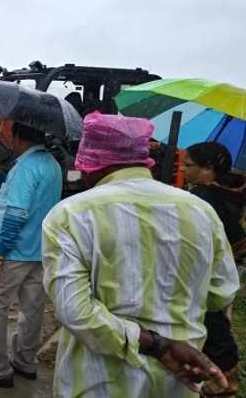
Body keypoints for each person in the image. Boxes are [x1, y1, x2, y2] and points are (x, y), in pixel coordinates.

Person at [42, 112, 239, 397]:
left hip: (98, 383)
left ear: (90, 161)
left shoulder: (70, 215)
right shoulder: (200, 211)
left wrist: (157, 345)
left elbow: (77, 312)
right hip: (178, 380)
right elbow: (222, 292)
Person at [0, 122, 62, 388]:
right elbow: (20, 197)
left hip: (14, 253)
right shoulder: (51, 165)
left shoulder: (26, 167)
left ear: (18, 138)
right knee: (32, 309)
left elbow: (16, 212)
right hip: (39, 251)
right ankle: (25, 362)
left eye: (12, 137)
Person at [183, 141, 244, 396]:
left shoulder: (202, 198)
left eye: (189, 165)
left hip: (204, 275)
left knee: (209, 325)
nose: (184, 170)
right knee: (220, 321)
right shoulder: (233, 191)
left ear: (209, 168)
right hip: (230, 270)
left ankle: (214, 382)